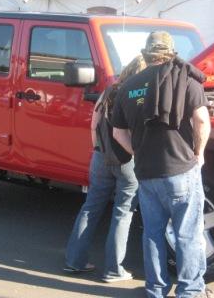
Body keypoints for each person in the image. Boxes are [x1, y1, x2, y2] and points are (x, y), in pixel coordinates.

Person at [112, 31, 214, 298]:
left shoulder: (127, 86)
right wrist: (200, 152)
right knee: (188, 235)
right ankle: (190, 292)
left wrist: (137, 152)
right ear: (171, 53)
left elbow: (117, 132)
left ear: (147, 55)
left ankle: (156, 290)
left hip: (147, 174)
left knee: (152, 234)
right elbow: (202, 120)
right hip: (181, 170)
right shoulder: (185, 78)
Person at [64, 55, 145, 283]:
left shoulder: (109, 91)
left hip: (100, 157)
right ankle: (113, 270)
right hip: (127, 161)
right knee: (123, 213)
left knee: (91, 207)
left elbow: (93, 124)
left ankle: (74, 261)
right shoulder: (137, 95)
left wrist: (97, 149)